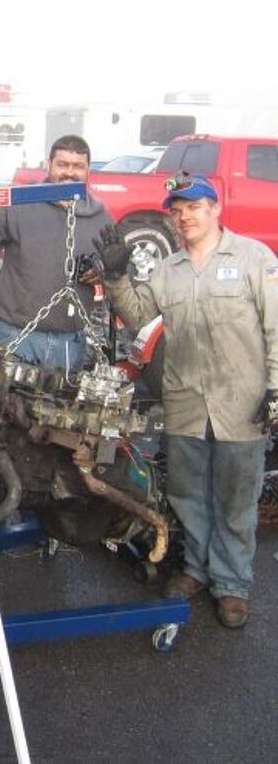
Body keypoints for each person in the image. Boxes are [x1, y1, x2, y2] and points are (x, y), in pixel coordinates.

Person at [95, 172, 278, 629]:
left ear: (215, 209)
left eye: (194, 207)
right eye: (177, 211)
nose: (185, 218)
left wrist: (275, 389)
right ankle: (197, 568)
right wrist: (116, 276)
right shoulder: (167, 270)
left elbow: (276, 327)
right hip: (185, 405)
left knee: (236, 500)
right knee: (188, 493)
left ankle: (231, 584)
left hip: (242, 404)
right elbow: (138, 313)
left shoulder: (254, 258)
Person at [0, 134, 113, 370]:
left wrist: (103, 270)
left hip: (69, 345)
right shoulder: (22, 203)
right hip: (15, 337)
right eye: (62, 164)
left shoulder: (101, 218)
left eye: (78, 166)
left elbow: (119, 270)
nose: (70, 173)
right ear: (48, 165)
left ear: (88, 170)